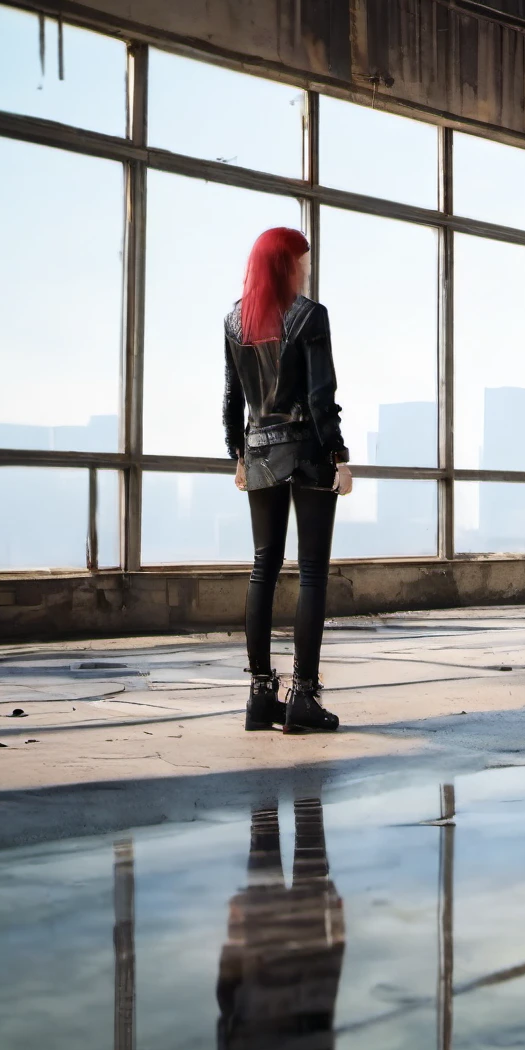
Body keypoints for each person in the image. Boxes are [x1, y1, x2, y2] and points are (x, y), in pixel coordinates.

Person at [224, 227, 353, 734]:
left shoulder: (235, 319)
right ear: (286, 264)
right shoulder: (309, 316)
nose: (307, 268)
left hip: (257, 454)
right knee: (313, 573)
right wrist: (339, 457)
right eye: (303, 259)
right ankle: (302, 695)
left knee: (264, 568)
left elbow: (233, 401)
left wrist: (238, 454)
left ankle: (260, 696)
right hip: (306, 452)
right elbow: (322, 399)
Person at [215, 798, 346, 1050]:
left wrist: (233, 942)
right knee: (308, 826)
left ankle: (263, 762)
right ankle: (304, 762)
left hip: (261, 967)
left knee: (265, 833)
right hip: (304, 958)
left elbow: (227, 1018)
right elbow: (324, 1014)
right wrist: (337, 933)